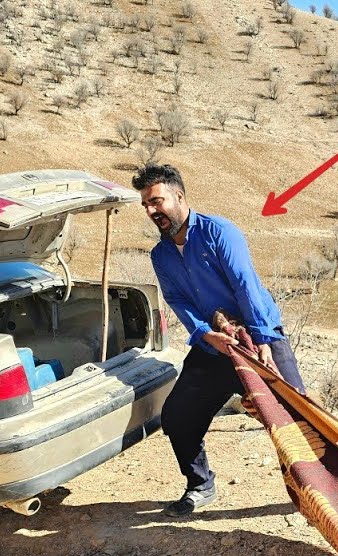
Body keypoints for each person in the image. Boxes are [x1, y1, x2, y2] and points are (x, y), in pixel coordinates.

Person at [131, 164, 307, 517]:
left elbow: (245, 286)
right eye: (146, 205)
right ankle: (200, 484)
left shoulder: (219, 232)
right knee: (178, 417)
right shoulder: (161, 255)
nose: (151, 211)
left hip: (258, 340)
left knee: (298, 422)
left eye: (157, 201)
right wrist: (205, 334)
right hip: (213, 348)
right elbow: (177, 299)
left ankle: (321, 491)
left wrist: (262, 340)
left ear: (179, 196)